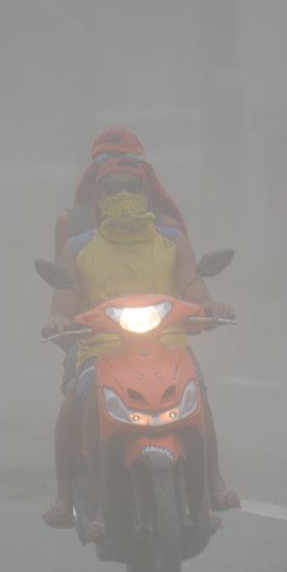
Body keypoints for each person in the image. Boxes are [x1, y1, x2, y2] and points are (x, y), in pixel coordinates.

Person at [43, 155, 237, 541]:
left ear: (149, 195)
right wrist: (59, 322)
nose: (125, 195)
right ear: (98, 197)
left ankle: (209, 490)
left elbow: (196, 296)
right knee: (79, 400)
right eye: (114, 188)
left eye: (134, 187)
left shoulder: (174, 242)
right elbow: (62, 308)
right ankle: (86, 501)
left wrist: (212, 309)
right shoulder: (77, 249)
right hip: (101, 352)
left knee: (198, 394)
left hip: (167, 348)